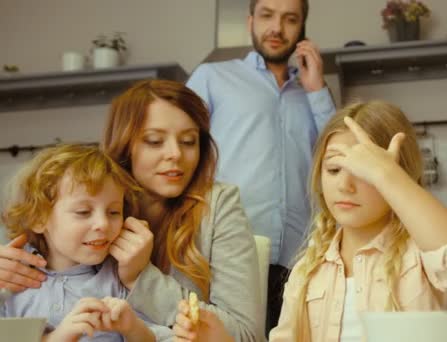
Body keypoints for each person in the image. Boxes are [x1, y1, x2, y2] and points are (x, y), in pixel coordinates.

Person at [0, 80, 262, 342]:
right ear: (124, 144)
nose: (175, 154)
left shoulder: (218, 204)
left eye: (188, 141)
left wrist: (141, 277)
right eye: (154, 140)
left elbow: (244, 335)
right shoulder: (75, 195)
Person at [269, 101, 447, 342]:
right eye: (333, 169)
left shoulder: (419, 256)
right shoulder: (307, 270)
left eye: (364, 171)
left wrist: (387, 174)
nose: (345, 185)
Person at [186, 0, 336, 333]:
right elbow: (178, 150)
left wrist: (318, 90)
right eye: (267, 15)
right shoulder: (211, 78)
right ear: (251, 20)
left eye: (290, 19)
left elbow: (338, 154)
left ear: (302, 29)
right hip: (228, 258)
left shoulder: (313, 92)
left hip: (300, 261)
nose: (277, 28)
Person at [0, 143, 171, 341]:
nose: (103, 224)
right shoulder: (11, 279)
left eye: (113, 212)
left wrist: (133, 328)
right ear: (38, 219)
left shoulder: (121, 279)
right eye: (83, 212)